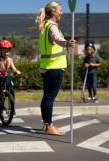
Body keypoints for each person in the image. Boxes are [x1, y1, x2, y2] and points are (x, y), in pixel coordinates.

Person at [35, 1, 76, 135]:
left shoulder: (44, 25)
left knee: (46, 96)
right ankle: (49, 126)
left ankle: (46, 124)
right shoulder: (52, 26)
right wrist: (67, 43)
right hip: (55, 68)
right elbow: (56, 39)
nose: (62, 12)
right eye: (60, 10)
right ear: (53, 12)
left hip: (46, 67)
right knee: (50, 98)